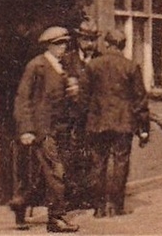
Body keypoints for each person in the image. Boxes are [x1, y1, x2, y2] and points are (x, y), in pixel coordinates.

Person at [11, 26, 77, 233]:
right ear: (49, 45)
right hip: (43, 130)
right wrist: (26, 129)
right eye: (59, 44)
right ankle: (56, 219)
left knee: (43, 176)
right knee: (56, 172)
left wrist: (73, 92)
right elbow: (23, 98)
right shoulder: (37, 66)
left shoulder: (61, 67)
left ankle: (20, 203)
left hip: (59, 129)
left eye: (65, 43)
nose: (63, 47)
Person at [83, 27, 149, 217]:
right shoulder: (131, 67)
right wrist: (143, 128)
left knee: (98, 164)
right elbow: (140, 100)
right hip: (123, 124)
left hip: (97, 123)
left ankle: (98, 208)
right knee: (121, 163)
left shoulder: (93, 66)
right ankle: (116, 206)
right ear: (123, 45)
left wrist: (83, 120)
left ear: (107, 44)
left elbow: (83, 98)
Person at [58, 20, 98, 212]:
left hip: (94, 118)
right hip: (72, 119)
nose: (89, 44)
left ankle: (88, 196)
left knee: (92, 157)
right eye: (85, 39)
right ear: (79, 39)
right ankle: (72, 197)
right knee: (72, 157)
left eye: (92, 40)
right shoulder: (68, 59)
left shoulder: (101, 60)